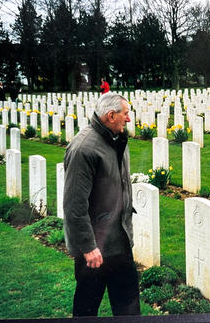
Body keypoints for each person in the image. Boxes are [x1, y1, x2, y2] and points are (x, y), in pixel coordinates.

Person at [63, 93, 140, 317]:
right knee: (86, 311)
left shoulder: (118, 139)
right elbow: (74, 206)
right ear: (111, 115)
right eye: (125, 114)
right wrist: (87, 247)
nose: (128, 119)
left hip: (120, 242)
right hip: (95, 250)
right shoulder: (84, 149)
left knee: (129, 309)